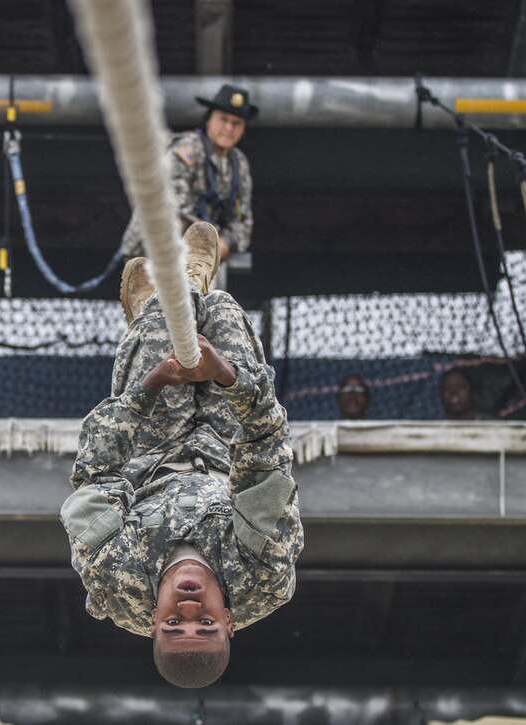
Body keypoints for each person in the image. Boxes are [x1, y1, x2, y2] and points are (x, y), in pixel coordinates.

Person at [61, 222, 303, 688]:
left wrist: (150, 384)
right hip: (229, 447)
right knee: (224, 310)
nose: (189, 609)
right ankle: (186, 286)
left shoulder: (116, 581)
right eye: (205, 624)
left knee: (163, 325)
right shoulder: (264, 578)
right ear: (230, 623)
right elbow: (267, 457)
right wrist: (228, 376)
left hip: (149, 448)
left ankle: (165, 301)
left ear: (152, 622)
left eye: (174, 625)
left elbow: (95, 473)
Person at [120, 84, 256, 262]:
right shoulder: (187, 149)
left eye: (236, 123)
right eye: (223, 119)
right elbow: (173, 208)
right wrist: (212, 241)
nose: (229, 128)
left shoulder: (239, 164)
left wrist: (226, 243)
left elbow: (243, 223)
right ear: (209, 120)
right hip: (151, 253)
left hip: (199, 257)